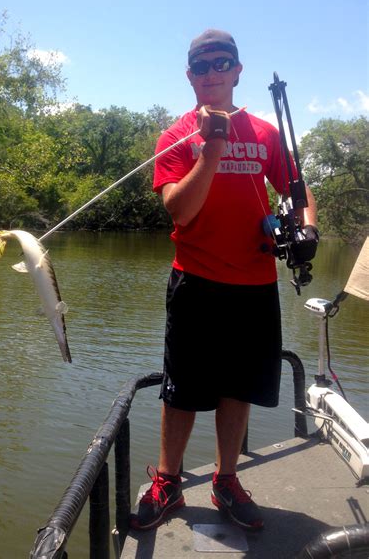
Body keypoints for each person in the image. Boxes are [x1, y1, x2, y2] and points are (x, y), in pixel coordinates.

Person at [129, 29, 319, 532]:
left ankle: (226, 480)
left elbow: (298, 191)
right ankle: (168, 481)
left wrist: (310, 228)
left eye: (223, 62)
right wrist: (212, 145)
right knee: (182, 390)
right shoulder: (175, 138)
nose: (213, 72)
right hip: (196, 282)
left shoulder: (265, 133)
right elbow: (181, 212)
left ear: (238, 71)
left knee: (238, 388)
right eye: (203, 65)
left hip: (256, 285)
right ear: (190, 77)